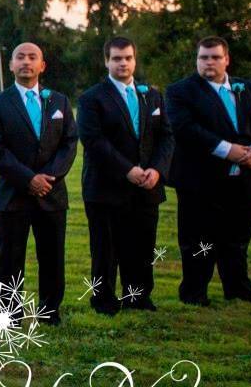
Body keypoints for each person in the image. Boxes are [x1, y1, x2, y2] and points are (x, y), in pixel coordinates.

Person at [77, 37, 174, 314]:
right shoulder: (91, 98)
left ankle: (138, 297)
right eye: (117, 58)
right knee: (105, 250)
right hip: (106, 187)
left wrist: (156, 170)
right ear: (106, 61)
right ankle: (104, 300)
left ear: (135, 59)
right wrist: (127, 170)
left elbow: (166, 137)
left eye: (128, 58)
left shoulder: (152, 95)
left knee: (143, 246)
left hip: (147, 185)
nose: (123, 63)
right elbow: (94, 141)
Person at [165, 36, 251, 305]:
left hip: (245, 179)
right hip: (200, 181)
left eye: (215, 57)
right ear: (197, 60)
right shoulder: (180, 92)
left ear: (226, 59)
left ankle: (239, 291)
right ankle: (195, 294)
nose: (209, 62)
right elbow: (185, 129)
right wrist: (226, 149)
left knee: (237, 239)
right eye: (203, 57)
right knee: (199, 240)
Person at [0, 42, 77, 324]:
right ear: (11, 65)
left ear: (42, 65)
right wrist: (28, 179)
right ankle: (10, 315)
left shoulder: (59, 102)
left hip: (52, 193)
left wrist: (49, 177)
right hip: (14, 194)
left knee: (52, 257)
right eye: (20, 57)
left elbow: (69, 143)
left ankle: (50, 312)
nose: (26, 61)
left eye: (32, 57)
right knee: (10, 259)